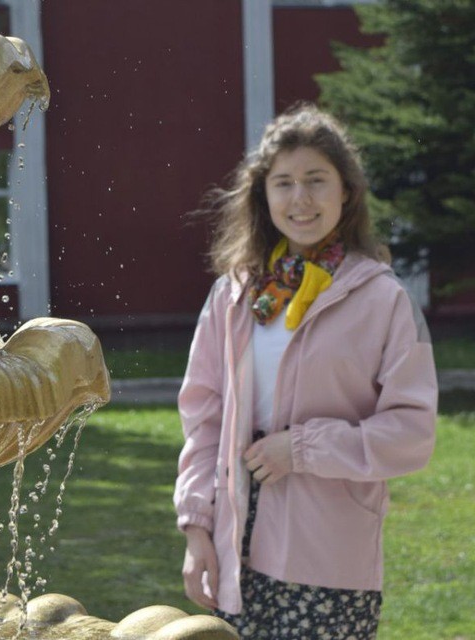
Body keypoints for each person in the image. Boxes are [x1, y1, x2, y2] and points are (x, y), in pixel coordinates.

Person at [173, 104, 437, 639]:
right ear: (263, 195)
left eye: (317, 180)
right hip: (236, 556)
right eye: (284, 183)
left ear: (347, 192)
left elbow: (413, 433)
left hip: (330, 560)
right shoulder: (233, 294)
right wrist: (197, 527)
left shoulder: (385, 299)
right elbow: (205, 419)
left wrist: (301, 449)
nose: (301, 199)